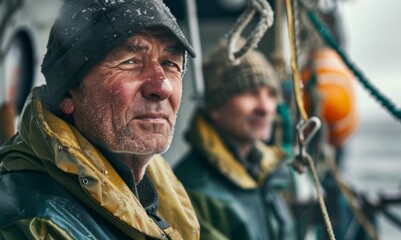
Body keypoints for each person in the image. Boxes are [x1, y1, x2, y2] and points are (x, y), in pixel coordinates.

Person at [0, 0, 200, 239]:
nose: (162, 86)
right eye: (130, 62)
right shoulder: (35, 226)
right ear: (67, 94)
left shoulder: (152, 197)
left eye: (169, 63)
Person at [174, 40, 296, 240]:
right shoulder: (190, 191)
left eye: (271, 94)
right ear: (215, 107)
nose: (265, 108)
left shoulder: (267, 172)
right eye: (250, 93)